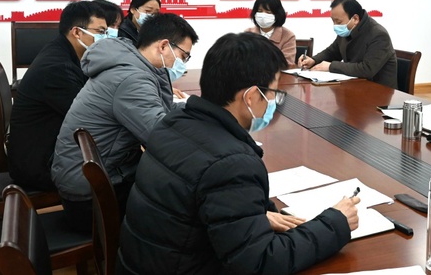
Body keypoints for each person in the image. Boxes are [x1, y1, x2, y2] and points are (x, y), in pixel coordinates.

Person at [118, 32, 360, 274]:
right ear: (251, 97)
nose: (274, 101)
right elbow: (260, 263)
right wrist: (335, 223)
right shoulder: (231, 164)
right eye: (273, 93)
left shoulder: (174, 122)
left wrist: (254, 216)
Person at [51, 13, 198, 231]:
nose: (182, 63)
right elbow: (160, 138)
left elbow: (160, 111)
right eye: (183, 56)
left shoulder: (131, 64)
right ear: (163, 46)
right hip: (92, 200)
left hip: (94, 177)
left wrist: (197, 108)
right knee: (182, 204)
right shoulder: (132, 79)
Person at [8, 1, 108, 191]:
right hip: (40, 165)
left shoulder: (62, 51)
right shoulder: (57, 68)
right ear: (77, 32)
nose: (104, 38)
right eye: (100, 32)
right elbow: (88, 118)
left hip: (43, 148)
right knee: (122, 163)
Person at [297, 0, 397, 88]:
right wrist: (313, 60)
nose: (335, 26)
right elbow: (332, 52)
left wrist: (331, 66)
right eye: (333, 21)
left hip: (378, 92)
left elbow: (367, 69)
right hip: (355, 87)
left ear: (355, 19)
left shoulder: (378, 35)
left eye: (338, 22)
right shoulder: (348, 30)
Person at [246, 0, 296, 67]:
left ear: (277, 14)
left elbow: (287, 64)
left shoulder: (288, 36)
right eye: (260, 11)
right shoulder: (248, 33)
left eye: (268, 12)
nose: (263, 16)